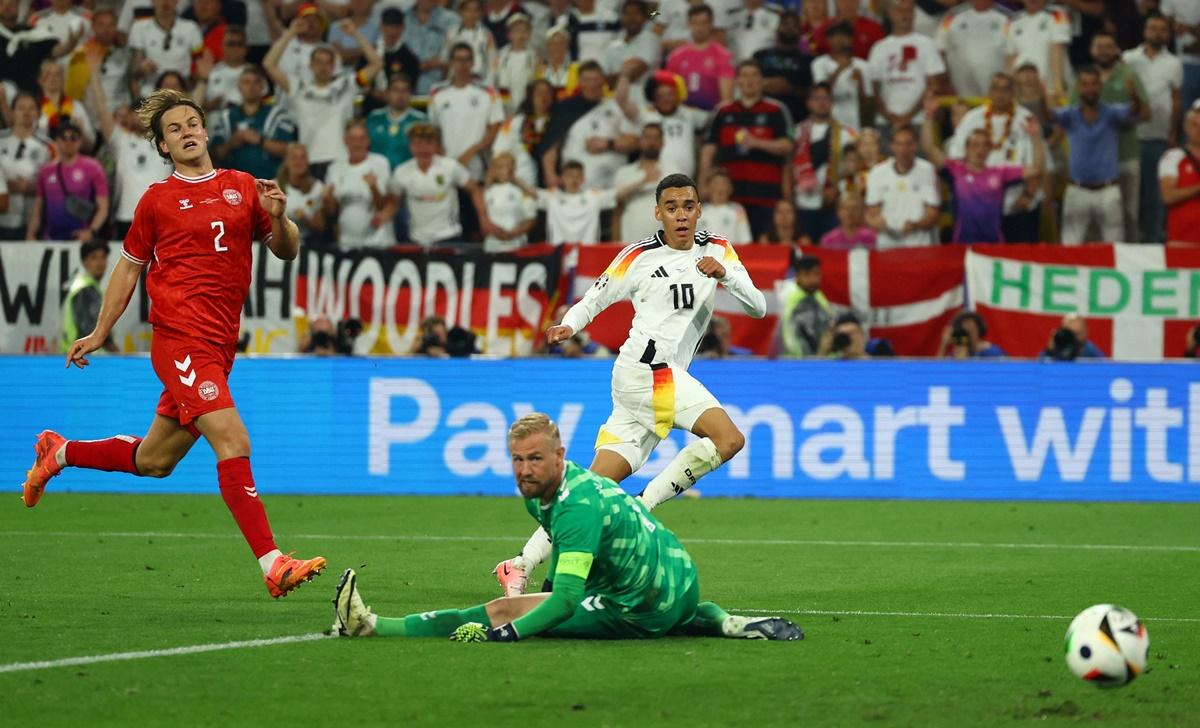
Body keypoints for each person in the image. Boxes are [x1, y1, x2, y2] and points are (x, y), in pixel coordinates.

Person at [21, 88, 326, 598]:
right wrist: (100, 331)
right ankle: (273, 564)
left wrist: (279, 216)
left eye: (192, 124)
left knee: (154, 461)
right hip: (181, 342)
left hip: (218, 347)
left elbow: (286, 251)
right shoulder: (157, 201)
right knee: (233, 440)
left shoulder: (243, 186)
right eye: (174, 130)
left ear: (206, 132)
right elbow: (127, 269)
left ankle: (60, 452)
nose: (186, 133)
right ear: (163, 147)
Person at [492, 174, 768, 596]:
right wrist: (568, 324)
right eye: (671, 207)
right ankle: (645, 506)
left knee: (592, 490)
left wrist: (726, 276)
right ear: (658, 213)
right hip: (647, 372)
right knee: (728, 439)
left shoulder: (718, 249)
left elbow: (759, 307)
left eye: (688, 206)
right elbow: (596, 297)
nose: (681, 214)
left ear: (699, 210)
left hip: (649, 381)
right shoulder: (637, 256)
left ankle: (520, 563)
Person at [334, 414, 802, 642]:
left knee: (500, 610)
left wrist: (511, 631)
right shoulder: (564, 488)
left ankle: (373, 626)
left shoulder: (572, 506)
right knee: (535, 600)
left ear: (559, 457)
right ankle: (722, 620)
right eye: (517, 460)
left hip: (643, 607)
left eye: (535, 459)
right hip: (683, 582)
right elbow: (564, 562)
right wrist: (549, 591)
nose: (524, 469)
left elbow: (563, 602)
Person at [265, 18, 383, 180]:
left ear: (334, 66)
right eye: (318, 62)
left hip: (340, 161)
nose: (323, 67)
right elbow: (269, 64)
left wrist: (356, 34)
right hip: (309, 162)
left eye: (328, 63)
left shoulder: (346, 85)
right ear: (310, 65)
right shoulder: (298, 88)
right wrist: (290, 33)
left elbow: (376, 63)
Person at [921, 95, 1044, 243]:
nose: (979, 150)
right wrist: (929, 117)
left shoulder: (1000, 173)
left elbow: (1036, 169)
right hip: (962, 243)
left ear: (990, 150)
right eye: (975, 145)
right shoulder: (955, 170)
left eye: (984, 145)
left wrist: (1035, 137)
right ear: (966, 148)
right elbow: (929, 148)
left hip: (994, 244)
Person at [1050, 67, 1148, 245]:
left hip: (1108, 190)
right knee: (1070, 246)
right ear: (1079, 88)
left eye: (1094, 84)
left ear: (1100, 87)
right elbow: (1048, 116)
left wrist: (1133, 94)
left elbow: (1135, 112)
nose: (1090, 89)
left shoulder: (1111, 112)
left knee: (1114, 246)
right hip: (1076, 189)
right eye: (1085, 84)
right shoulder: (1070, 114)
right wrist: (1042, 95)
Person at [946, 72, 1047, 244]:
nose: (1000, 94)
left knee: (1019, 261)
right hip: (980, 206)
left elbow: (1036, 162)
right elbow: (956, 158)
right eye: (996, 89)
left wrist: (1029, 194)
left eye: (1006, 89)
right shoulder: (972, 118)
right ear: (989, 92)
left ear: (1014, 91)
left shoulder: (1026, 118)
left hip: (1017, 205)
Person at [700, 60, 794, 239]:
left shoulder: (776, 109)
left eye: (754, 75)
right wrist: (703, 184)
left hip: (767, 196)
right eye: (744, 76)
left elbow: (787, 146)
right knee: (732, 249)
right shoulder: (723, 111)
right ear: (737, 81)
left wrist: (756, 143)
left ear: (761, 80)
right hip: (731, 197)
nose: (749, 80)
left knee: (763, 250)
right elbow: (708, 152)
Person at [1123, 13, 1183, 244]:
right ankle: (1129, 242)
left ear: (1168, 34)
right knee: (1130, 194)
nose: (1157, 33)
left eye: (1162, 29)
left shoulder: (1174, 63)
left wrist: (1172, 131)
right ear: (1144, 31)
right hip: (1130, 135)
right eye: (1153, 28)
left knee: (1154, 195)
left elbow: (1176, 99)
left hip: (1157, 135)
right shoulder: (1129, 58)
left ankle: (1153, 240)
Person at [385, 122, 492, 247]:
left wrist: (483, 218)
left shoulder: (450, 167)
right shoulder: (401, 172)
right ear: (411, 146)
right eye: (418, 144)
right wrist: (384, 215)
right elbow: (394, 202)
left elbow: (475, 189)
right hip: (417, 239)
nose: (424, 149)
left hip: (448, 236)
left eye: (428, 143)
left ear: (436, 145)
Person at [867, 0, 946, 133]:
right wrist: (888, 116)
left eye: (909, 11)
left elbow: (934, 85)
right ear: (890, 14)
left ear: (914, 14)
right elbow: (874, 89)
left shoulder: (927, 44)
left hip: (920, 120)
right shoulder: (879, 48)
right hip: (885, 122)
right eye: (900, 11)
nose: (904, 15)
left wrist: (908, 116)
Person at [793, 82, 857, 243]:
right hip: (803, 203)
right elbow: (788, 167)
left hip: (834, 205)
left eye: (826, 98)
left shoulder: (847, 133)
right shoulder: (797, 132)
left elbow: (854, 171)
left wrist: (839, 189)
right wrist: (789, 199)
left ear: (832, 101)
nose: (821, 102)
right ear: (808, 102)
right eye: (816, 98)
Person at [26, 120, 109, 242]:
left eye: (73, 138)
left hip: (81, 238)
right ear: (56, 141)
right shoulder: (46, 171)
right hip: (50, 238)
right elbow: (38, 208)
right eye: (64, 138)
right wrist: (30, 234)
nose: (68, 142)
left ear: (80, 141)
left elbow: (103, 206)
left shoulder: (93, 167)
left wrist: (91, 232)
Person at [210, 65, 296, 180]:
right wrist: (232, 143)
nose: (252, 87)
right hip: (234, 185)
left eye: (256, 82)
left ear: (263, 86)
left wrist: (258, 140)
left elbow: (288, 149)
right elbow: (215, 155)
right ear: (239, 87)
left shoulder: (277, 114)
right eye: (246, 82)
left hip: (269, 181)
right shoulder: (226, 116)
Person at [614, 71, 707, 178]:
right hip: (653, 178)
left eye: (669, 94)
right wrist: (625, 75)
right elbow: (621, 101)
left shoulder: (688, 114)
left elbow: (715, 117)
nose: (665, 99)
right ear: (654, 98)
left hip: (684, 180)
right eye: (660, 96)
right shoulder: (645, 114)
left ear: (677, 96)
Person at [864, 126, 939, 249]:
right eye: (899, 144)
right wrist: (878, 223)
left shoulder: (927, 170)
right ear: (891, 146)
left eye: (908, 144)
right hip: (887, 245)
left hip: (919, 244)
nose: (904, 150)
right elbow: (871, 212)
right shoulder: (877, 173)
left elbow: (933, 213)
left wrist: (916, 225)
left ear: (916, 145)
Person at [324, 119, 396, 249]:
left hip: (377, 241)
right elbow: (332, 211)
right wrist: (327, 198)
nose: (358, 144)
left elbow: (384, 205)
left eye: (362, 139)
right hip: (347, 241)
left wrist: (373, 187)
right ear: (345, 141)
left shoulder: (380, 163)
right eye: (353, 139)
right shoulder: (335, 167)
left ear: (368, 141)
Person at [0, 92, 55, 240]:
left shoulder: (48, 146)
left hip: (33, 221)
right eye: (21, 108)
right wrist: (8, 186)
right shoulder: (1, 140)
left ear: (38, 113)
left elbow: (56, 183)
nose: (26, 112)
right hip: (3, 217)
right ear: (12, 112)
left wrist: (31, 187)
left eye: (31, 108)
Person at [128, 0, 205, 98]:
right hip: (151, 94)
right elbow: (133, 72)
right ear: (152, 1)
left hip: (182, 92)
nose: (166, 2)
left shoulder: (191, 28)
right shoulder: (139, 28)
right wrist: (142, 70)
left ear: (177, 1)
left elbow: (200, 67)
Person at [664, 4, 733, 112]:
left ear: (711, 24)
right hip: (683, 115)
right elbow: (669, 92)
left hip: (711, 114)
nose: (699, 28)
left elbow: (727, 99)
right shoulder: (676, 56)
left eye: (703, 23)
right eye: (695, 23)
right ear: (689, 24)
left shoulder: (722, 55)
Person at [935, 0, 1010, 100]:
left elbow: (1013, 53)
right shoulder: (951, 16)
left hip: (996, 93)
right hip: (961, 92)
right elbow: (940, 50)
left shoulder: (1007, 18)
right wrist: (943, 82)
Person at [1004, 0, 1071, 101]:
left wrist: (1058, 86)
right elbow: (1010, 57)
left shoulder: (1057, 15)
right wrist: (1009, 87)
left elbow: (1057, 50)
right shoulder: (1011, 21)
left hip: (1049, 85)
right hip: (1023, 86)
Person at [61, 240, 118, 356]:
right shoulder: (85, 289)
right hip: (86, 358)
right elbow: (90, 330)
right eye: (94, 258)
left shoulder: (85, 286)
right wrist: (117, 353)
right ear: (84, 261)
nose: (100, 263)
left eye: (103, 257)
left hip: (79, 356)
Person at [811, 21, 871, 132]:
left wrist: (860, 83)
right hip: (827, 123)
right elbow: (821, 93)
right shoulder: (819, 63)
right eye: (835, 35)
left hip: (853, 124)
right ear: (828, 40)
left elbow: (867, 103)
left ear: (851, 39)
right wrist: (839, 70)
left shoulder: (862, 65)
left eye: (845, 35)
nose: (840, 39)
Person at [612, 123, 664, 243]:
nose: (652, 142)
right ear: (640, 141)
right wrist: (615, 241)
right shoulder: (624, 173)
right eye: (648, 137)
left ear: (662, 142)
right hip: (630, 241)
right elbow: (616, 210)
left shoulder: (673, 171)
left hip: (663, 244)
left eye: (656, 138)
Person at [481, 151, 537, 253]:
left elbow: (531, 219)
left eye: (508, 166)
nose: (505, 170)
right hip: (492, 244)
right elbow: (483, 218)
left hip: (515, 243)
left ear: (514, 169)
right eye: (500, 167)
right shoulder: (487, 192)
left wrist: (513, 233)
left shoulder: (522, 191)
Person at [1160, 106, 1200, 244]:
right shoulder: (1173, 157)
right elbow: (1168, 196)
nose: (1199, 130)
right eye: (1195, 125)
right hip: (1181, 240)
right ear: (1186, 127)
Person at [782, 254, 835, 357]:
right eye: (807, 274)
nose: (813, 279)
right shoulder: (791, 299)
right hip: (798, 362)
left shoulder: (819, 296)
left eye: (816, 274)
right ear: (797, 276)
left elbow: (829, 327)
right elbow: (790, 338)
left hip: (821, 359)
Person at [601, 0, 660, 91]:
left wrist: (613, 79)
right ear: (622, 17)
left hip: (643, 98)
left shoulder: (650, 40)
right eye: (627, 14)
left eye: (637, 13)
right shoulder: (613, 43)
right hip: (615, 97)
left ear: (644, 17)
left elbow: (635, 73)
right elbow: (604, 77)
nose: (632, 18)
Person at [277, 143, 328, 246]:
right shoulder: (274, 187)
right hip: (280, 245)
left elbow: (320, 227)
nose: (299, 162)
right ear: (286, 162)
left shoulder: (318, 188)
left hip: (308, 244)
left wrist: (305, 219)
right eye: (294, 157)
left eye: (303, 157)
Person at [700, 168, 752, 244]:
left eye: (724, 184)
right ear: (708, 188)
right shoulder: (699, 211)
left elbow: (745, 239)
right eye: (716, 183)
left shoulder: (738, 210)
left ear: (730, 188)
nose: (720, 188)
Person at [938, 310, 1005, 358]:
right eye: (964, 331)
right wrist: (943, 345)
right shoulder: (953, 356)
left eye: (971, 330)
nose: (967, 336)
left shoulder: (993, 353)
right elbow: (937, 374)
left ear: (979, 330)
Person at [1038, 313, 1105, 361]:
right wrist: (1049, 351)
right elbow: (1040, 365)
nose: (1074, 337)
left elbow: (1103, 367)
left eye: (1077, 333)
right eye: (1070, 333)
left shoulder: (1090, 351)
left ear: (1085, 332)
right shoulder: (1058, 346)